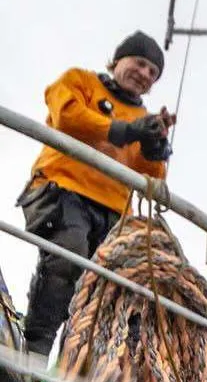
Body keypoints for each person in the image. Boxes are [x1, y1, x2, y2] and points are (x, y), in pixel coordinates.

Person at [17, 31, 174, 356]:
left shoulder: (143, 120)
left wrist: (155, 147)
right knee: (66, 257)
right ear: (118, 61)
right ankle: (33, 352)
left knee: (97, 295)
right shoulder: (80, 81)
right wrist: (126, 130)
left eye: (153, 73)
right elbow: (67, 115)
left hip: (113, 214)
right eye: (140, 64)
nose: (145, 74)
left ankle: (67, 375)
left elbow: (151, 179)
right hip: (62, 191)